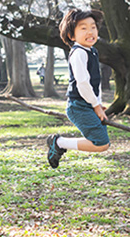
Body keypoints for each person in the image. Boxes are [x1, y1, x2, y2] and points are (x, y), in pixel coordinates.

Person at [46, 9, 110, 168]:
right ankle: (59, 143)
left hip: (88, 104)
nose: (90, 32)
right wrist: (95, 105)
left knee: (103, 143)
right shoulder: (78, 53)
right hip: (79, 107)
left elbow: (96, 83)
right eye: (83, 28)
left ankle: (60, 143)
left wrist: (98, 103)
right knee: (101, 143)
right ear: (71, 35)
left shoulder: (92, 51)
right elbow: (82, 83)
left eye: (93, 27)